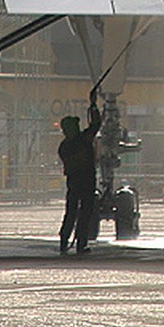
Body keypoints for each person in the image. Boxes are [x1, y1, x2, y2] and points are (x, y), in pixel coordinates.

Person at [57, 102, 103, 255]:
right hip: (87, 181)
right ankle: (81, 244)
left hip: (73, 182)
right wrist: (94, 109)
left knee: (70, 212)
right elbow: (96, 126)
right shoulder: (83, 139)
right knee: (85, 213)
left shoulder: (63, 147)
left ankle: (64, 241)